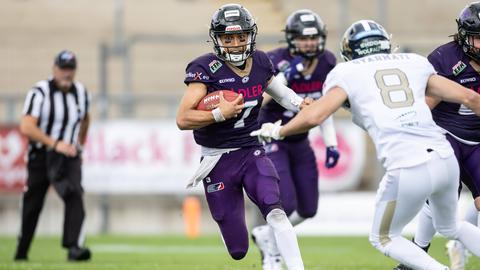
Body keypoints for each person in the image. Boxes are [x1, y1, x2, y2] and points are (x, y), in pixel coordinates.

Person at [251, 19, 480, 269]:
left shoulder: (346, 72)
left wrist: (279, 130)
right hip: (445, 157)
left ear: (351, 50)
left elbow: (316, 115)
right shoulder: (414, 62)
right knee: (451, 226)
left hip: (407, 163)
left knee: (383, 238)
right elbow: (469, 97)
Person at [176, 4, 308, 270]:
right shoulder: (205, 67)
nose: (235, 43)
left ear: (250, 35)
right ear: (217, 39)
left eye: (240, 36)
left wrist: (300, 103)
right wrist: (218, 114)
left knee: (276, 211)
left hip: (251, 150)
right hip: (217, 159)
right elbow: (183, 119)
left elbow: (279, 93)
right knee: (237, 249)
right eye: (228, 38)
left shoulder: (260, 61)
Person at [251, 9, 339, 270]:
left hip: (300, 139)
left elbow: (325, 105)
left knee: (309, 209)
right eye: (302, 38)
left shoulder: (327, 62)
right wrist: (286, 76)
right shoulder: (273, 61)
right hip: (271, 136)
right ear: (290, 39)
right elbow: (259, 101)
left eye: (313, 38)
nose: (309, 43)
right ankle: (273, 254)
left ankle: (267, 236)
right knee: (285, 203)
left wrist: (331, 142)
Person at [394, 2, 480, 270]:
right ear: (465, 36)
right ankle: (419, 251)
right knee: (442, 193)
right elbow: (426, 103)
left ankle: (451, 247)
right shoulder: (444, 58)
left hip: (478, 141)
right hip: (446, 134)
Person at [15, 50, 91, 261]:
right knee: (33, 203)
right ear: (54, 69)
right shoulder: (39, 92)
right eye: (63, 69)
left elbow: (85, 119)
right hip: (41, 156)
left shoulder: (81, 93)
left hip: (68, 156)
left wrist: (80, 145)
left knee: (75, 193)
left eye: (71, 69)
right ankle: (22, 251)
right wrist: (54, 143)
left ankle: (74, 247)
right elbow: (27, 126)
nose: (67, 74)